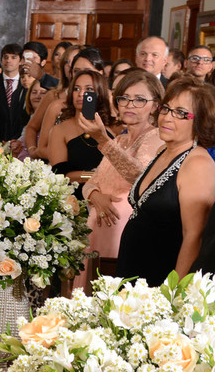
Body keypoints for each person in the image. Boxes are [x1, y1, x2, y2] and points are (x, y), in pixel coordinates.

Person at [118, 77, 215, 284]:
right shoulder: (163, 150)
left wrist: (173, 292)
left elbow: (194, 236)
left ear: (201, 120)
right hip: (134, 270)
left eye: (181, 113)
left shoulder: (197, 163)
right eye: (166, 109)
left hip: (162, 278)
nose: (167, 118)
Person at [76, 69, 164, 283]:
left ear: (155, 106)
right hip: (99, 230)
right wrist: (95, 195)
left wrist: (103, 140)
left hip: (123, 233)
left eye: (140, 100)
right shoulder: (121, 140)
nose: (130, 105)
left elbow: (139, 176)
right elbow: (92, 182)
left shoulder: (156, 138)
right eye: (124, 99)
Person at [44, 69, 114, 189]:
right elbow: (60, 175)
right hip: (75, 196)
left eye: (89, 89)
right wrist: (94, 175)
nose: (81, 94)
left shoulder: (112, 127)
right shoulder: (59, 130)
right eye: (76, 89)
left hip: (110, 193)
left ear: (99, 93)